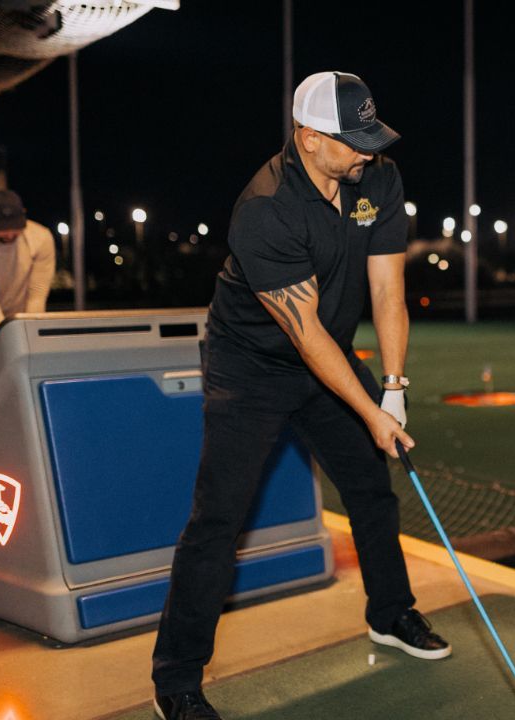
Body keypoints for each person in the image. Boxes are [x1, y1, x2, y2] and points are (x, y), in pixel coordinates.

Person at [151, 72, 449, 720]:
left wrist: (393, 388)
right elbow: (305, 333)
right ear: (309, 137)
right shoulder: (266, 207)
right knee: (218, 520)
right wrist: (369, 412)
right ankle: (175, 680)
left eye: (372, 137)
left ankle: (390, 614)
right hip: (250, 369)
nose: (368, 152)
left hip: (329, 358)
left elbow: (388, 292)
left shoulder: (378, 180)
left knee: (371, 489)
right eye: (354, 141)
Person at [0, 189, 55, 341]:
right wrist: (8, 338)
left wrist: (30, 332)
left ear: (24, 214)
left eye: (16, 226)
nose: (10, 234)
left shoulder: (41, 238)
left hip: (22, 318)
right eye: (2, 229)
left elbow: (37, 293)